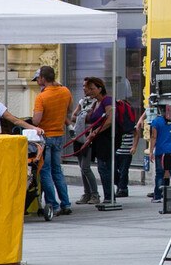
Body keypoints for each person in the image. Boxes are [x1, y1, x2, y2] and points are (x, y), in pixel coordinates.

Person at [31, 65, 73, 217]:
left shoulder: (41, 97)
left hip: (45, 137)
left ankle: (53, 205)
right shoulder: (65, 91)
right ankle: (66, 203)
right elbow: (69, 109)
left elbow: (36, 120)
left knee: (45, 171)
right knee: (57, 170)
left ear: (42, 78)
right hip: (59, 135)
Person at [82, 77, 115, 204]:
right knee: (102, 167)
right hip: (97, 139)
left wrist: (96, 131)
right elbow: (93, 122)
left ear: (100, 88)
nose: (90, 91)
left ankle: (109, 196)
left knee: (104, 167)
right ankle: (108, 194)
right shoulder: (96, 103)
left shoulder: (107, 100)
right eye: (88, 88)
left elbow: (110, 120)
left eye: (92, 89)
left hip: (106, 139)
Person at [69, 91, 100, 205]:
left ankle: (95, 194)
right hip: (78, 136)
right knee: (82, 168)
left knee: (86, 167)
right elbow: (73, 116)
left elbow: (93, 118)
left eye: (88, 87)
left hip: (88, 136)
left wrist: (82, 116)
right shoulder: (82, 101)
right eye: (84, 87)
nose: (85, 89)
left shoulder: (96, 102)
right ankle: (87, 193)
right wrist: (83, 116)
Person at [147, 106, 171, 202]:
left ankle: (158, 196)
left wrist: (150, 151)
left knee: (159, 174)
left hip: (161, 151)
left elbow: (154, 137)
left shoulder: (156, 121)